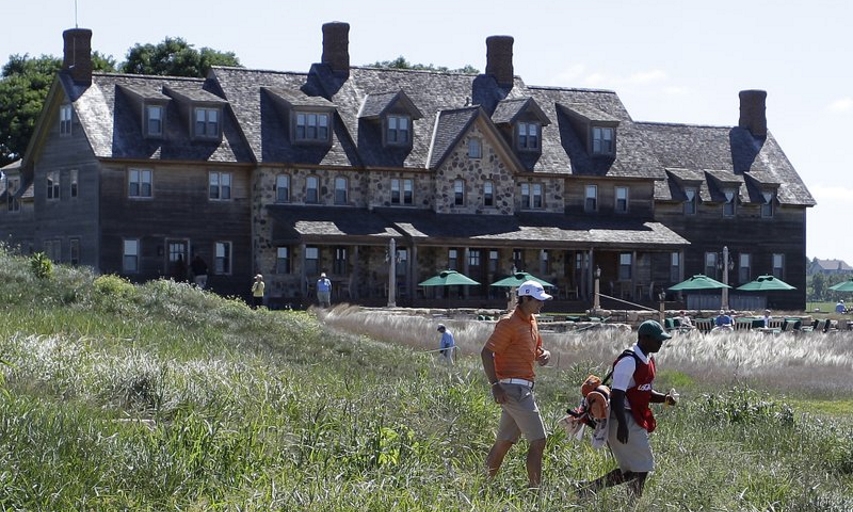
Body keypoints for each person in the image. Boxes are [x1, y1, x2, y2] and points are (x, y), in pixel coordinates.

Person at [576, 319, 677, 502]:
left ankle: (590, 489)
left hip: (634, 417)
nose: (661, 343)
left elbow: (643, 391)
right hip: (623, 417)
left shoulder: (647, 358)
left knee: (634, 469)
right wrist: (622, 425)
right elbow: (617, 395)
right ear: (645, 339)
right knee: (642, 467)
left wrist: (664, 398)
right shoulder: (629, 361)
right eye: (657, 340)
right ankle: (627, 501)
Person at [481, 280, 552, 489]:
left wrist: (543, 354)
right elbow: (487, 352)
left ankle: (482, 485)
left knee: (504, 442)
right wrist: (495, 385)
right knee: (539, 440)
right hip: (514, 390)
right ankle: (535, 492)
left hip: (521, 388)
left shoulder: (531, 321)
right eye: (538, 301)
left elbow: (536, 348)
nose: (542, 305)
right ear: (526, 298)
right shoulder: (508, 322)